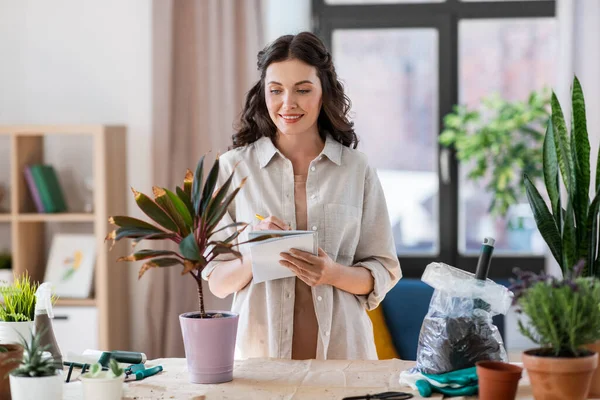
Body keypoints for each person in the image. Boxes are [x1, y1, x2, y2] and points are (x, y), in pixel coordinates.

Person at [202, 32, 401, 360]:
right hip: (259, 364)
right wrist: (257, 256)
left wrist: (331, 273)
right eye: (276, 90)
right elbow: (218, 282)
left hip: (344, 360)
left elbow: (382, 271)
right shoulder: (233, 168)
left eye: (303, 90)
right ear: (264, 93)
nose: (288, 104)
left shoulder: (356, 169)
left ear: (324, 93)